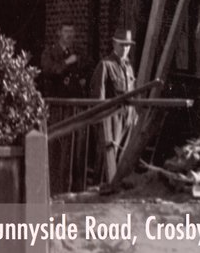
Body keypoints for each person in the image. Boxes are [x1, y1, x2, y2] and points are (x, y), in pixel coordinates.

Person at [91, 27, 137, 183]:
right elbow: (98, 96)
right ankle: (100, 187)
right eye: (122, 45)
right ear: (114, 44)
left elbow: (133, 92)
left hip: (128, 117)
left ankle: (117, 189)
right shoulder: (105, 65)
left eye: (128, 45)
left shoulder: (129, 67)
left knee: (124, 156)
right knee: (107, 156)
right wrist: (100, 122)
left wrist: (134, 115)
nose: (125, 49)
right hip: (111, 119)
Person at [39, 23, 84, 97]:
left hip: (76, 99)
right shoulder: (50, 52)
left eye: (71, 31)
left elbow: (87, 69)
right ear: (59, 33)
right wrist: (66, 62)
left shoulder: (78, 52)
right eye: (66, 31)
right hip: (57, 98)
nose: (69, 35)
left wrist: (83, 79)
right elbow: (48, 71)